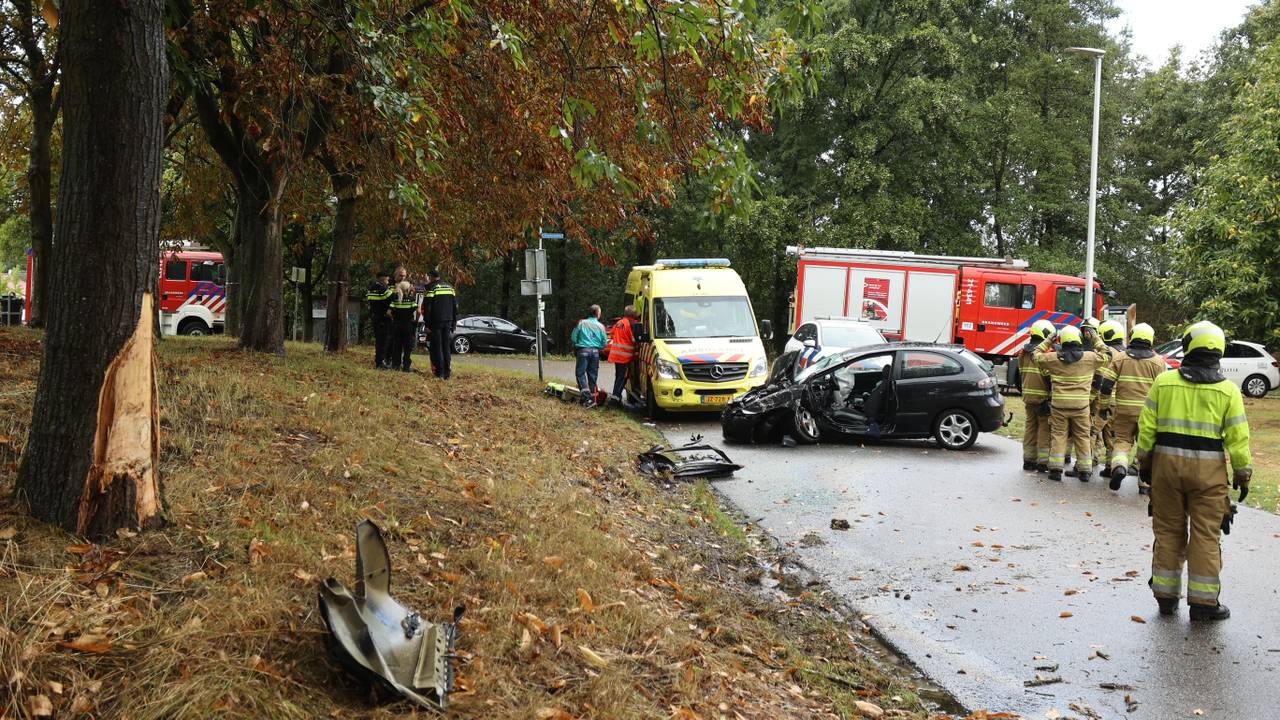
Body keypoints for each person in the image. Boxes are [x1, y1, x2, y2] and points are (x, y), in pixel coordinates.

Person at [1137, 320, 1251, 621]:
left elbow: (1146, 429)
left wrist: (1145, 466)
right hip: (1209, 475)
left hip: (1166, 468)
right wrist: (1242, 475)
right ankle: (1203, 604)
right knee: (1205, 535)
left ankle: (1166, 598)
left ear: (1188, 346)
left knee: (1168, 531)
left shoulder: (1164, 382)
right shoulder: (1228, 392)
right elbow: (1239, 440)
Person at [1034, 323, 1111, 482]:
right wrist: (1094, 335)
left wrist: (1049, 339)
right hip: (1081, 407)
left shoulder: (1053, 358)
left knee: (1058, 435)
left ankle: (1055, 469)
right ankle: (1084, 471)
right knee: (1082, 436)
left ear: (1061, 341)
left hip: (1059, 406)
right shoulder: (1089, 358)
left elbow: (1035, 355)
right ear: (1079, 340)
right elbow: (1107, 354)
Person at [1106, 323, 1166, 493]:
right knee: (1145, 445)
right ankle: (1144, 485)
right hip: (1148, 413)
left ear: (1132, 337)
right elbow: (1163, 389)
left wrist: (1104, 406)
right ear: (1151, 339)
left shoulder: (1120, 358)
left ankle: (1119, 466)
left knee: (1122, 442)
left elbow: (1106, 385)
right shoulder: (1158, 363)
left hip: (1123, 410)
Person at [1019, 319, 1057, 472]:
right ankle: (1043, 462)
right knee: (1044, 428)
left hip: (1028, 397)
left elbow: (1021, 373)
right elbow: (1049, 377)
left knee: (1030, 427)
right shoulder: (1044, 354)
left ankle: (1028, 460)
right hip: (1042, 398)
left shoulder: (1023, 353)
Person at [1092, 319, 1127, 478]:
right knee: (1111, 435)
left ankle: (1086, 463)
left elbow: (1099, 377)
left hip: (1104, 399)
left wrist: (1091, 396)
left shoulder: (1106, 353)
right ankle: (1110, 467)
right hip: (1119, 401)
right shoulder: (1126, 354)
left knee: (1092, 431)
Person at [421, 268, 459, 380]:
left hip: (436, 322)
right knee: (446, 347)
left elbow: (427, 309)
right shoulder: (450, 288)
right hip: (448, 321)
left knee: (437, 347)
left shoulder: (432, 289)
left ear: (431, 277)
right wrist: (454, 322)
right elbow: (455, 307)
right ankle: (447, 372)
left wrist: (427, 325)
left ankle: (440, 372)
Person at [571, 304, 608, 407]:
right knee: (592, 376)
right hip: (595, 352)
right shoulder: (601, 326)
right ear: (598, 314)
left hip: (583, 351)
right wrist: (598, 348)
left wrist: (578, 344)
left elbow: (574, 337)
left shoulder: (581, 323)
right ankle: (593, 399)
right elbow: (604, 342)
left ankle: (587, 398)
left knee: (580, 373)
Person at [606, 306, 638, 402]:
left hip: (616, 355)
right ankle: (615, 399)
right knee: (622, 377)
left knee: (619, 376)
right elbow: (635, 339)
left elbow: (611, 333)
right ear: (633, 314)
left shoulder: (619, 322)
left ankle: (616, 397)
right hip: (625, 356)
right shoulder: (632, 324)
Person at [388, 277, 418, 372]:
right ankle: (406, 367)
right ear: (407, 289)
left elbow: (389, 312)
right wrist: (416, 321)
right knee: (407, 347)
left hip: (397, 325)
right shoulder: (410, 300)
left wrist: (393, 319)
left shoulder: (396, 300)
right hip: (408, 325)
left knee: (397, 346)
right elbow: (419, 312)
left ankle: (396, 365)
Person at [365, 269, 393, 369]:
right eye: (387, 280)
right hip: (383, 318)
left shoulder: (371, 288)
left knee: (379, 340)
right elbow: (392, 297)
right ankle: (380, 362)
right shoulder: (383, 289)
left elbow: (369, 299)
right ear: (382, 279)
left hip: (375, 316)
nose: (388, 282)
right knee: (383, 341)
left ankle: (379, 361)